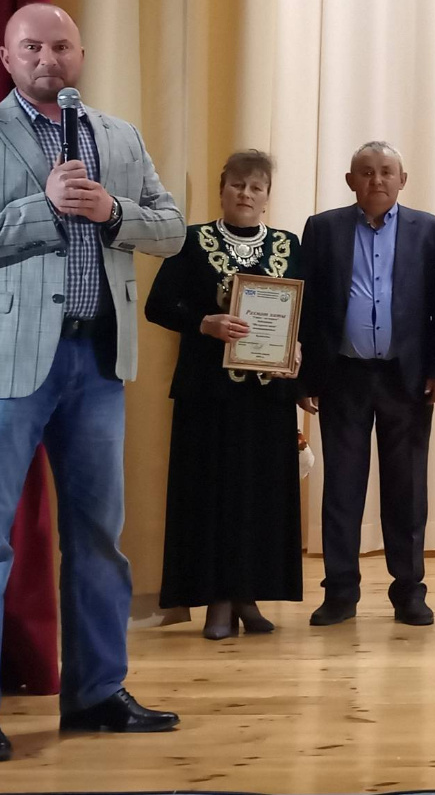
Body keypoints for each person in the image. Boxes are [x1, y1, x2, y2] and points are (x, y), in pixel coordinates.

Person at [0, 3, 184, 761]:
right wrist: (39, 209)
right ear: (7, 57)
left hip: (97, 361)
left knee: (99, 537)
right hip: (2, 364)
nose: (49, 58)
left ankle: (98, 691)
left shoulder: (119, 136)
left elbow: (172, 229)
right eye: (32, 46)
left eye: (61, 46)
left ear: (81, 54)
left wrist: (112, 211)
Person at [146, 150, 303, 640]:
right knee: (212, 495)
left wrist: (296, 348)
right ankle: (217, 599)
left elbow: (306, 311)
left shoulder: (288, 244)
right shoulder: (191, 241)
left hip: (267, 397)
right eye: (237, 184)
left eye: (256, 187)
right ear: (222, 189)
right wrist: (203, 323)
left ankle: (248, 596)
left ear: (267, 196)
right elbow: (157, 306)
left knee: (259, 496)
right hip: (208, 396)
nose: (246, 194)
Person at [297, 142, 435, 628]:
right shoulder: (322, 229)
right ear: (350, 181)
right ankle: (340, 593)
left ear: (403, 180)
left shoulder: (430, 230)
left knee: (407, 490)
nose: (377, 180)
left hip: (407, 378)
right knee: (342, 488)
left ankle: (409, 592)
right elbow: (307, 307)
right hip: (342, 375)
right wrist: (305, 377)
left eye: (387, 172)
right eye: (366, 172)